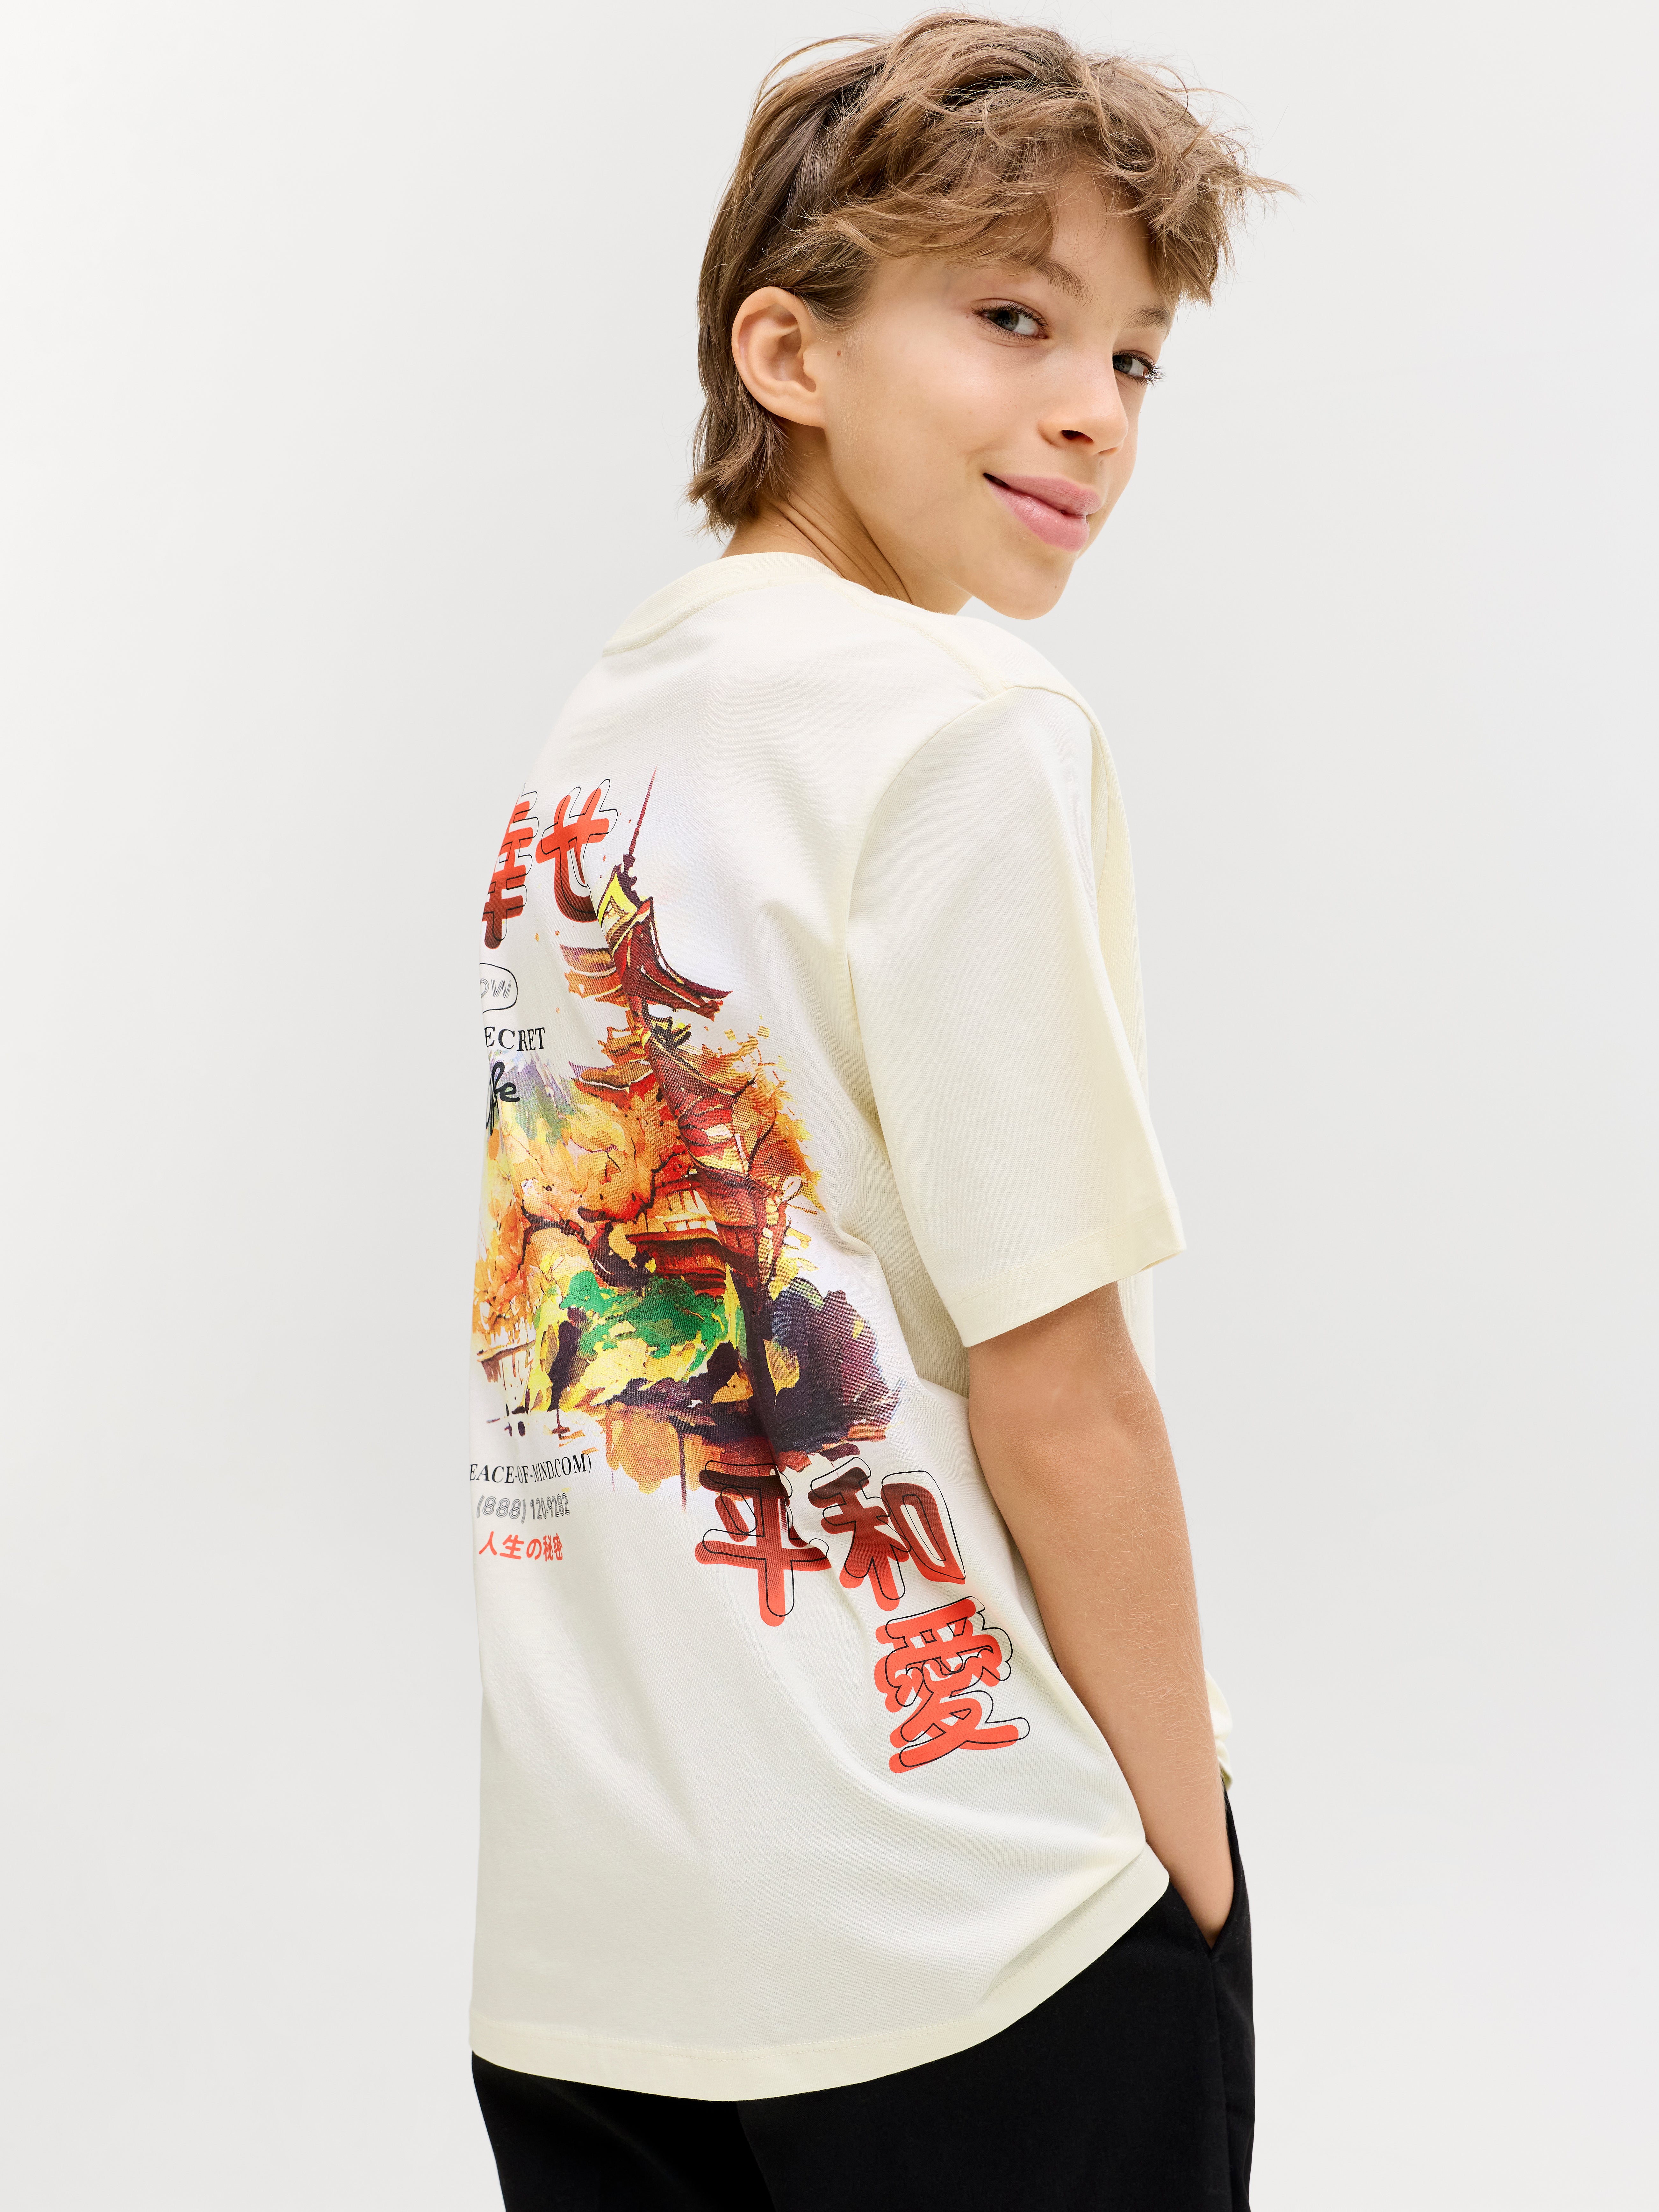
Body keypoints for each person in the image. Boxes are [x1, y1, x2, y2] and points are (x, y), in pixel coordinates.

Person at [466, 16, 1280, 2207]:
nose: (1092, 411)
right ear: (788, 352)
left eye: (1133, 357)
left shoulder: (596, 740)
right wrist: (1192, 1874)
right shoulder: (960, 719)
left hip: (591, 1952)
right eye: (1012, 317)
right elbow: (1060, 1387)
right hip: (963, 1927)